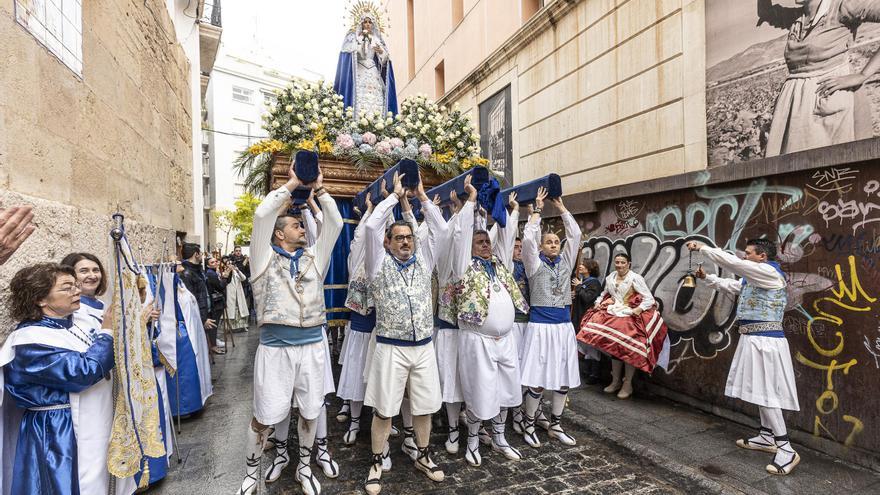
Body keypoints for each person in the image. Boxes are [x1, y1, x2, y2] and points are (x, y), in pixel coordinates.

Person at [237, 162, 342, 495]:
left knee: (311, 413)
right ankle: (252, 471)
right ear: (280, 233)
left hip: (312, 348)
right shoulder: (262, 259)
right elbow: (261, 216)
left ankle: (305, 467)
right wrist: (293, 182)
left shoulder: (315, 257)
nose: (302, 229)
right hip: (275, 351)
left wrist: (320, 190)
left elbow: (336, 223)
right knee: (264, 415)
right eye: (297, 225)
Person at [361, 171, 447, 495]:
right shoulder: (377, 263)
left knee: (424, 406)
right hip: (390, 347)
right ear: (388, 242)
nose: (406, 242)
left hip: (423, 346)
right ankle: (375, 462)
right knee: (384, 409)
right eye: (399, 238)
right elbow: (371, 227)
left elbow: (441, 229)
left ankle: (423, 455)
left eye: (409, 237)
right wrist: (394, 198)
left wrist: (422, 199)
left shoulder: (424, 259)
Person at [0, 263, 116, 494]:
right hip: (57, 432)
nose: (76, 291)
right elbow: (81, 372)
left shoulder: (69, 327)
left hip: (87, 420)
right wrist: (107, 331)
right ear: (41, 299)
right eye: (67, 288)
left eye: (75, 285)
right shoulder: (29, 340)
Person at [688, 238, 801, 476]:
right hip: (755, 338)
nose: (745, 257)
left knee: (767, 392)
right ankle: (766, 436)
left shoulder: (770, 273)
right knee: (760, 389)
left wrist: (704, 248)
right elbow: (733, 286)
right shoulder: (755, 278)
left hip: (766, 341)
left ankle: (786, 448)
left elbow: (736, 266)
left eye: (749, 253)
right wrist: (707, 278)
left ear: (762, 256)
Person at [440, 181, 526, 466]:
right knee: (479, 391)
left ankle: (500, 437)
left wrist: (501, 212)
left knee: (506, 390)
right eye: (480, 242)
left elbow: (506, 233)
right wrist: (471, 201)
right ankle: (473, 442)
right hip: (477, 340)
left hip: (505, 340)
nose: (486, 245)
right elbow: (462, 235)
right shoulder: (463, 265)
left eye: (487, 241)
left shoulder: (502, 264)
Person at [757, 0, 880, 157]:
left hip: (828, 102)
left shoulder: (843, 7)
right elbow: (765, 13)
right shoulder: (798, 16)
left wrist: (863, 75)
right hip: (796, 107)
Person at [519, 187, 582, 449]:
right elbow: (527, 240)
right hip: (540, 325)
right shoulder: (534, 263)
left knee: (563, 377)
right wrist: (537, 211)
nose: (554, 245)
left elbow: (576, 234)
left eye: (556, 242)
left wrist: (562, 208)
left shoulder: (566, 261)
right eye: (549, 242)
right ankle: (529, 422)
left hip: (563, 326)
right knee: (537, 378)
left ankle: (555, 424)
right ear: (542, 247)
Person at [578, 253, 667, 400]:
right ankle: (615, 381)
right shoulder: (610, 277)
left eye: (622, 262)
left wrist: (637, 310)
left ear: (629, 264)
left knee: (627, 349)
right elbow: (604, 293)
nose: (619, 265)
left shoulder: (635, 278)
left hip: (628, 316)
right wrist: (599, 303)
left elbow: (649, 299)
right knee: (614, 348)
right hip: (613, 313)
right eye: (617, 262)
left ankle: (628, 384)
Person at [334, 8, 398, 119]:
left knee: (376, 99)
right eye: (365, 22)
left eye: (370, 22)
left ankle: (377, 124)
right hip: (360, 72)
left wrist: (381, 52)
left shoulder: (377, 40)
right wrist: (361, 44)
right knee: (360, 98)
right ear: (361, 23)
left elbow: (384, 62)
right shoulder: (355, 38)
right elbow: (353, 55)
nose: (367, 24)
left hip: (373, 73)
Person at [178, 243, 218, 353]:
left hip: (204, 314)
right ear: (196, 254)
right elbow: (191, 301)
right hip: (197, 319)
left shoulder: (198, 270)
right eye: (200, 253)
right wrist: (202, 319)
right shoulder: (186, 273)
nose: (202, 256)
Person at [571, 259, 603, 384]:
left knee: (591, 347)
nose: (580, 266)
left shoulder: (594, 283)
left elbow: (588, 298)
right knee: (584, 345)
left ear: (589, 269)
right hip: (579, 316)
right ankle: (587, 370)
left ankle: (594, 374)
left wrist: (579, 286)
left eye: (583, 265)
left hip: (587, 318)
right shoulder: (585, 282)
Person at [205, 256, 231, 354]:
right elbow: (221, 287)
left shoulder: (214, 272)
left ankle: (213, 343)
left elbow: (227, 282)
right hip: (215, 302)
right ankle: (213, 346)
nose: (215, 263)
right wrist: (224, 277)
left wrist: (227, 274)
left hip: (218, 301)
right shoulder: (210, 274)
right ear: (207, 265)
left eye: (216, 261)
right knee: (214, 325)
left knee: (215, 324)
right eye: (212, 262)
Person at [223, 258, 250, 332]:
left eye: (231, 264)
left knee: (241, 310)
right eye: (229, 264)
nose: (231, 265)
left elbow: (244, 278)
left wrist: (238, 271)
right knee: (231, 311)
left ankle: (243, 326)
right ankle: (230, 328)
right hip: (230, 294)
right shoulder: (224, 272)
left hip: (239, 293)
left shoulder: (236, 272)